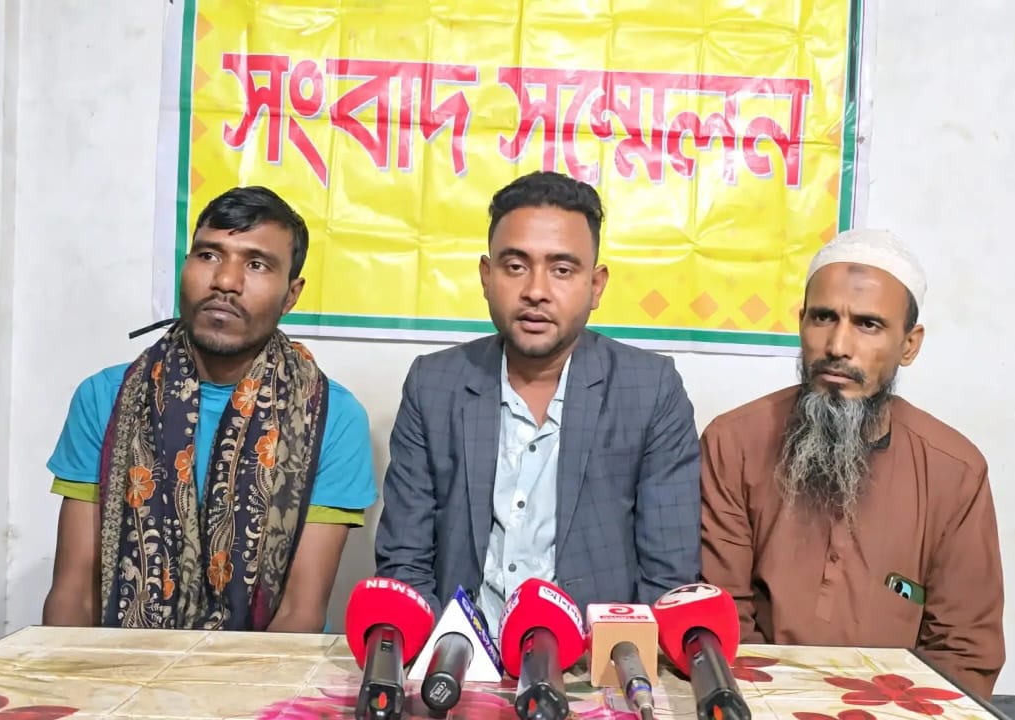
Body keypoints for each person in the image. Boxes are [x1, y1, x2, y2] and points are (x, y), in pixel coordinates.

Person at [374, 171, 701, 630]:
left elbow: (668, 578)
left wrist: (615, 662)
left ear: (596, 285)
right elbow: (404, 562)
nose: (536, 291)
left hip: (593, 660)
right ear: (486, 276)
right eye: (515, 266)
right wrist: (442, 653)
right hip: (459, 654)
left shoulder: (650, 389)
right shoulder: (433, 385)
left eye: (562, 270)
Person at [42, 186, 376, 632]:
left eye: (256, 264)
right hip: (120, 664)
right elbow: (74, 592)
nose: (226, 281)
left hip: (264, 670)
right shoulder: (106, 398)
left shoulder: (331, 417)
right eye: (209, 255)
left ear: (291, 295)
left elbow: (301, 611)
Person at [699, 228, 1005, 698]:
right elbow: (722, 618)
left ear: (909, 344)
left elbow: (964, 651)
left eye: (868, 325)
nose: (838, 345)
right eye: (823, 317)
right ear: (801, 323)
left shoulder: (955, 472)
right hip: (759, 702)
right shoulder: (733, 443)